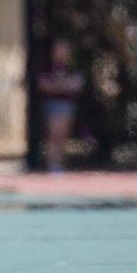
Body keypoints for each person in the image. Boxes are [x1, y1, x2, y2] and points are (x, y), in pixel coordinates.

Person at [37, 39, 84, 173]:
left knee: (63, 136)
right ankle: (52, 165)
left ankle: (59, 164)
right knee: (53, 135)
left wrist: (59, 85)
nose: (61, 53)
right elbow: (43, 85)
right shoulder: (47, 67)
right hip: (53, 104)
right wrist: (63, 86)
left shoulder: (72, 68)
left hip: (67, 104)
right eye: (59, 50)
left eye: (64, 50)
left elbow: (77, 85)